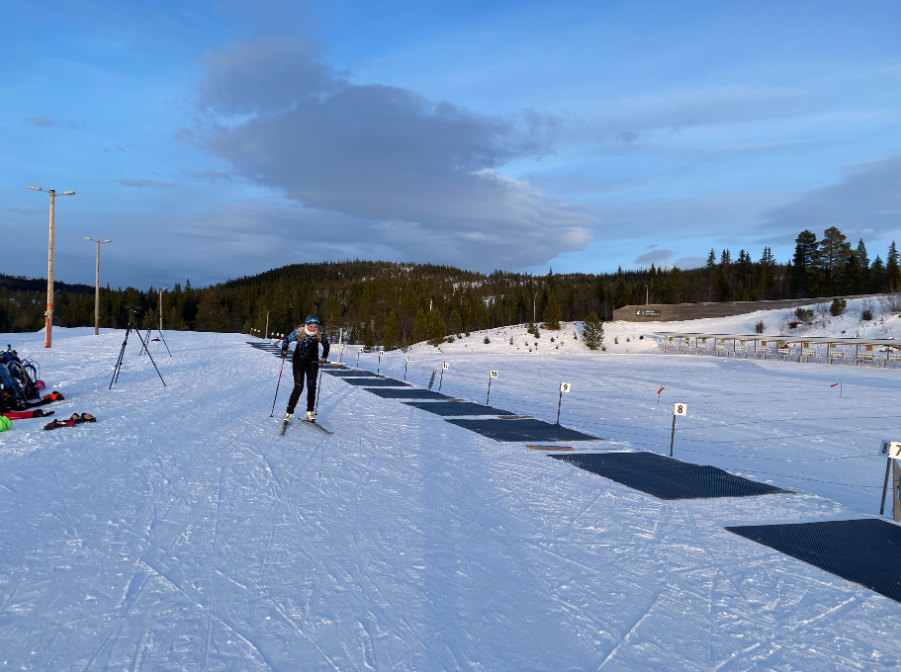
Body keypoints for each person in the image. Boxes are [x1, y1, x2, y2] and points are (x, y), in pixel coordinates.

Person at [281, 317, 330, 425]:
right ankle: (289, 412)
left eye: (315, 327)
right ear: (307, 325)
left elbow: (326, 345)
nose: (313, 329)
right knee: (299, 386)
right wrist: (284, 349)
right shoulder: (300, 332)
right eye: (311, 326)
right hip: (299, 361)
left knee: (312, 385)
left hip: (312, 361)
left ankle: (310, 412)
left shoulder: (320, 334)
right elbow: (287, 340)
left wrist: (324, 356)